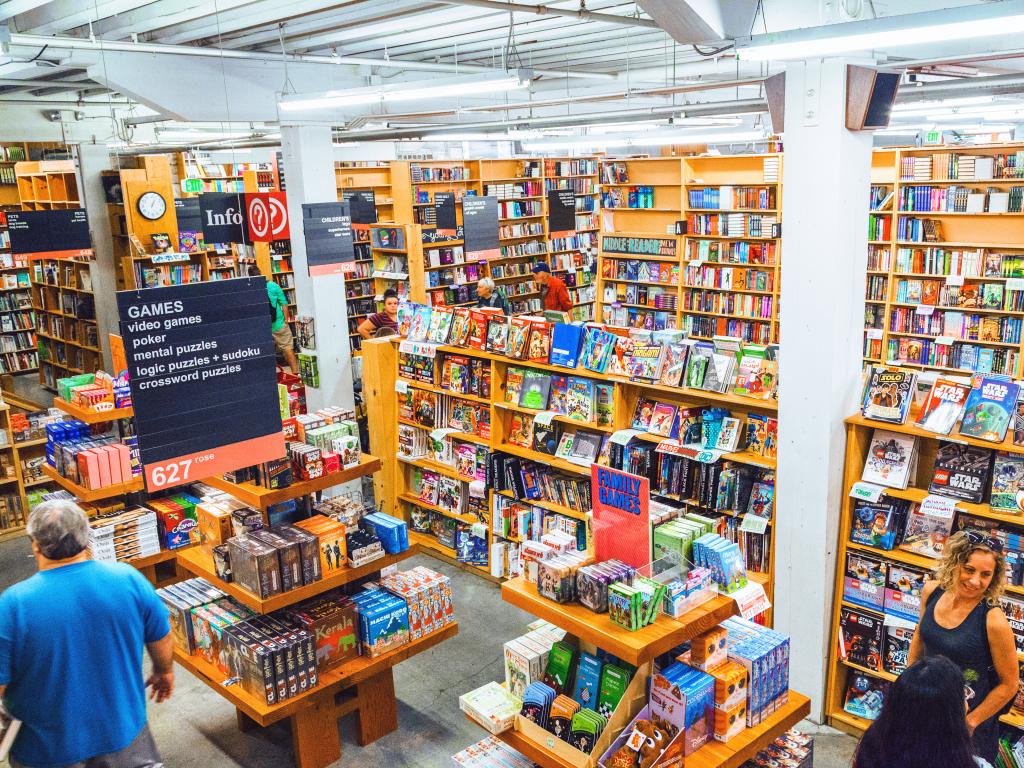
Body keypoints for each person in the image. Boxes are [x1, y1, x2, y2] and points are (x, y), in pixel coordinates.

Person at [0, 501, 173, 767]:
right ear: (86, 537)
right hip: (124, 738)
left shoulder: (13, 605)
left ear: (35, 544)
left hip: (46, 751)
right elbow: (160, 633)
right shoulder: (128, 579)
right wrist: (164, 671)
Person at [907, 529, 1018, 764]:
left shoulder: (994, 620)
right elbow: (920, 634)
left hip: (969, 726)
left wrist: (971, 722)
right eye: (969, 569)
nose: (975, 581)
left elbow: (1009, 685)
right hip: (926, 709)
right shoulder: (932, 591)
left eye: (986, 574)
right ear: (954, 562)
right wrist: (909, 682)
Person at [854, 655, 993, 768]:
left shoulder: (870, 745)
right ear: (950, 716)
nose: (967, 703)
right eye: (964, 696)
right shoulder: (973, 764)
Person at [249, 265, 298, 374]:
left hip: (261, 328)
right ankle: (295, 374)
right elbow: (284, 303)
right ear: (261, 273)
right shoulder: (272, 285)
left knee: (263, 353)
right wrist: (286, 320)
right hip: (279, 324)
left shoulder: (249, 289)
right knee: (287, 348)